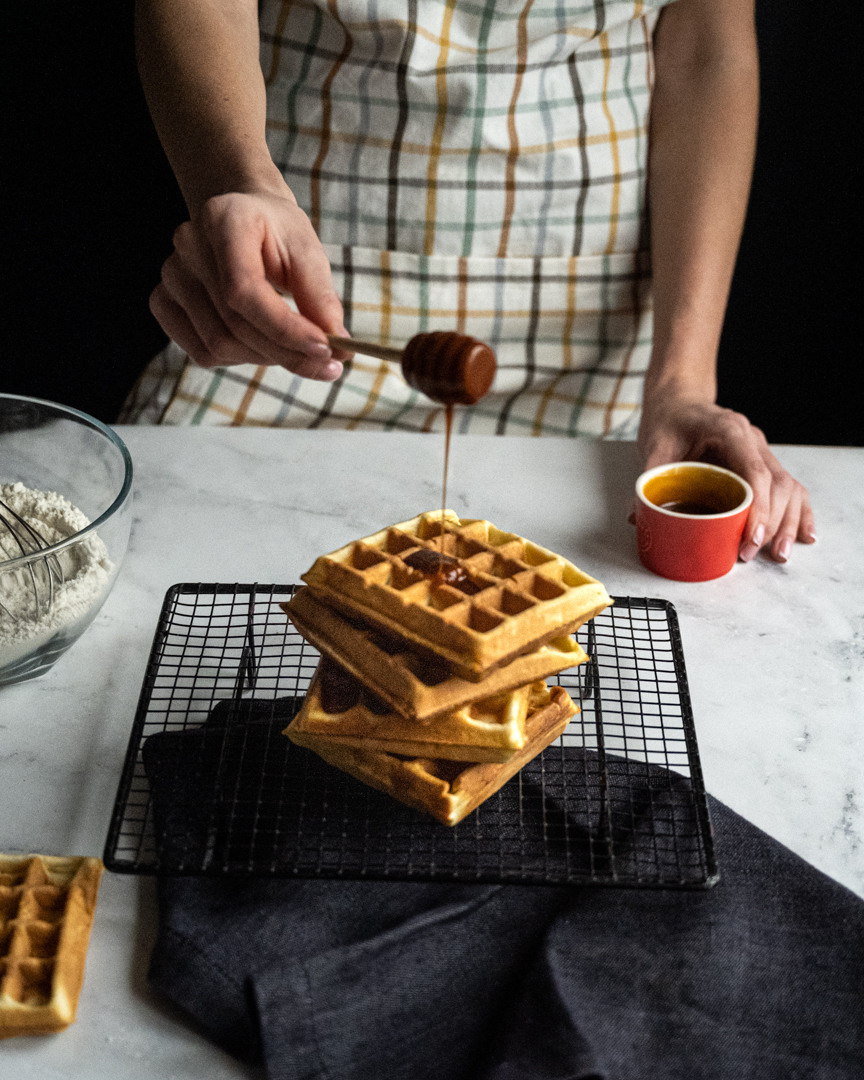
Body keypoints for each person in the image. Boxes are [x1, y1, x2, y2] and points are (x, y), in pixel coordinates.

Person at [123, 0, 815, 563]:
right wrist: (237, 182)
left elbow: (707, 43)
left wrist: (684, 385)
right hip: (287, 289)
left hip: (600, 340)